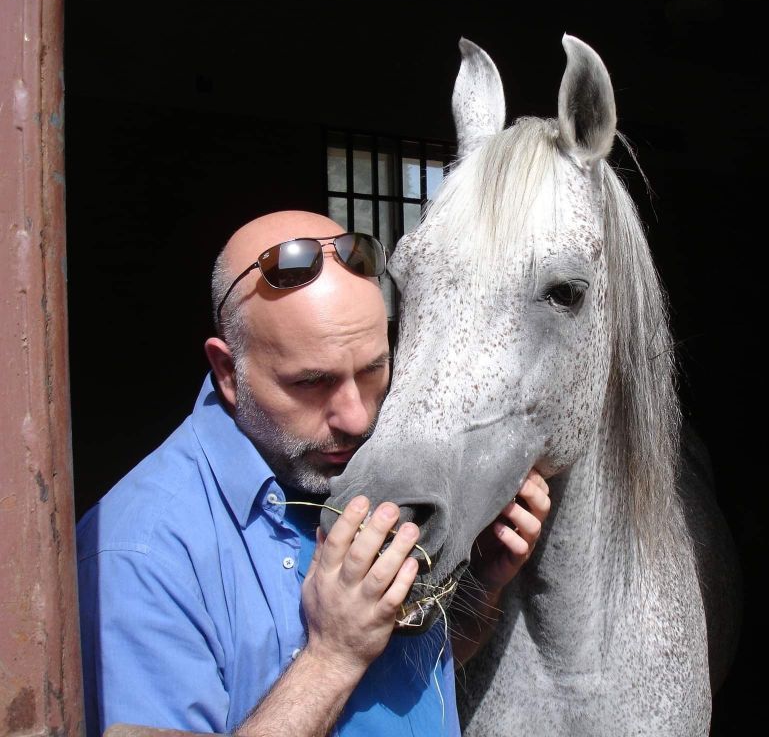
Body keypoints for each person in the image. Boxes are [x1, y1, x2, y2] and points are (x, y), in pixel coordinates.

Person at [76, 210, 551, 737]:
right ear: (228, 373)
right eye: (312, 382)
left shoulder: (360, 470)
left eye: (373, 369)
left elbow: (406, 686)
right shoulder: (139, 555)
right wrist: (333, 656)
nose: (357, 417)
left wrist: (482, 582)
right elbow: (349, 662)